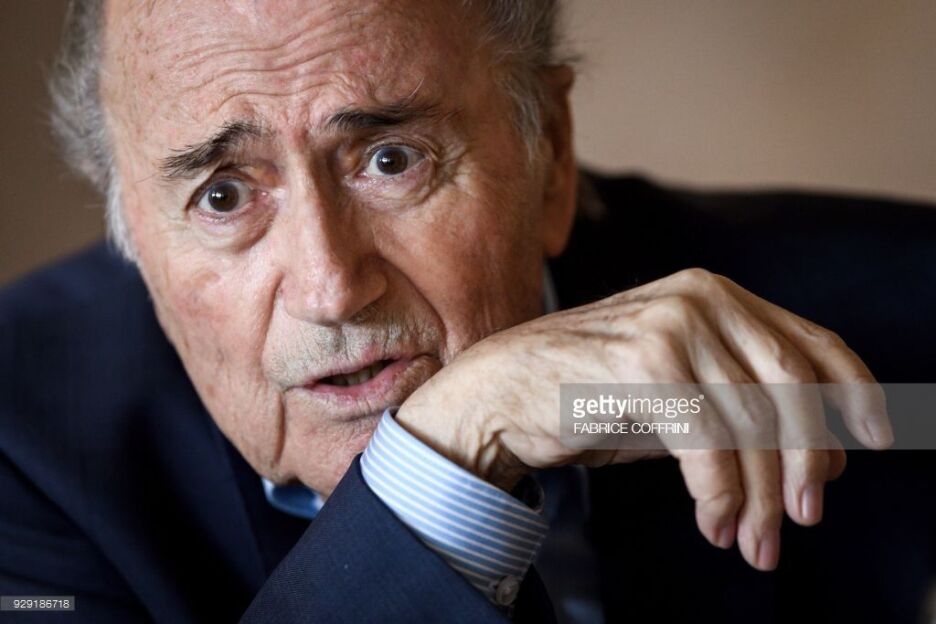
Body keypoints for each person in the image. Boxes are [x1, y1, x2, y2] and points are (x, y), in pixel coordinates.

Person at [1, 1, 934, 622]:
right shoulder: (22, 446)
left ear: (550, 154)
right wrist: (443, 458)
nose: (331, 287)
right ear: (131, 228)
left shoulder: (900, 334)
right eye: (222, 195)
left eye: (391, 160)